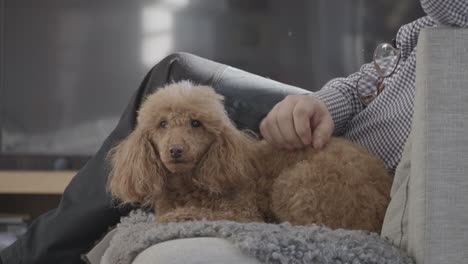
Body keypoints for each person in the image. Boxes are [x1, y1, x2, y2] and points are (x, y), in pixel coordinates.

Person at [1, 0, 466, 263]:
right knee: (176, 79)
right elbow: (374, 76)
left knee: (177, 72)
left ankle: (28, 258)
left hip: (354, 161)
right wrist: (323, 101)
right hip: (336, 126)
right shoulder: (424, 31)